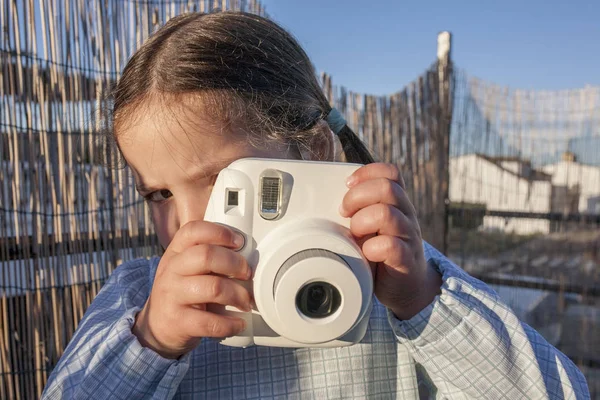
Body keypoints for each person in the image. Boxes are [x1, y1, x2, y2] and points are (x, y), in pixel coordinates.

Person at [42, 12, 589, 399]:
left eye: (221, 181)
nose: (190, 223)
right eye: (158, 194)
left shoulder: (396, 290)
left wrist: (423, 301)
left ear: (317, 149)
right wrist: (152, 342)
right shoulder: (140, 302)